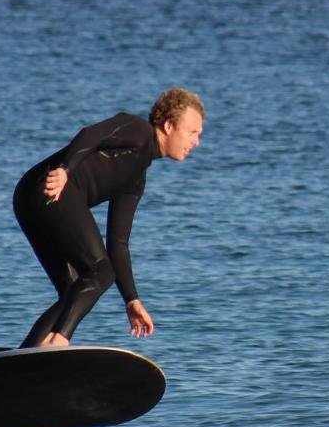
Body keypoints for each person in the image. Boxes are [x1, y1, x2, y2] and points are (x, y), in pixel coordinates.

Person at [12, 87, 205, 348]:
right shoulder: (137, 130)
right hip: (50, 187)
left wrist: (131, 299)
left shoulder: (136, 179)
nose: (196, 142)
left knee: (74, 288)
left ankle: (23, 357)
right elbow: (90, 135)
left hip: (30, 195)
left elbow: (118, 243)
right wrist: (66, 170)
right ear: (169, 125)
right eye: (192, 133)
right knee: (100, 272)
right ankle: (58, 341)